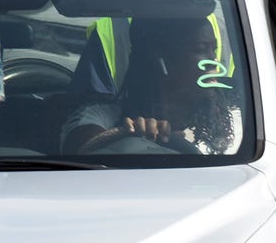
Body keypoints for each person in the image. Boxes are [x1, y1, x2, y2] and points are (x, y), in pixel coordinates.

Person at [62, 17, 240, 155]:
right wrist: (127, 134)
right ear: (160, 62)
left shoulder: (238, 119)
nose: (214, 61)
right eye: (200, 49)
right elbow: (80, 149)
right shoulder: (103, 116)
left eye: (213, 49)